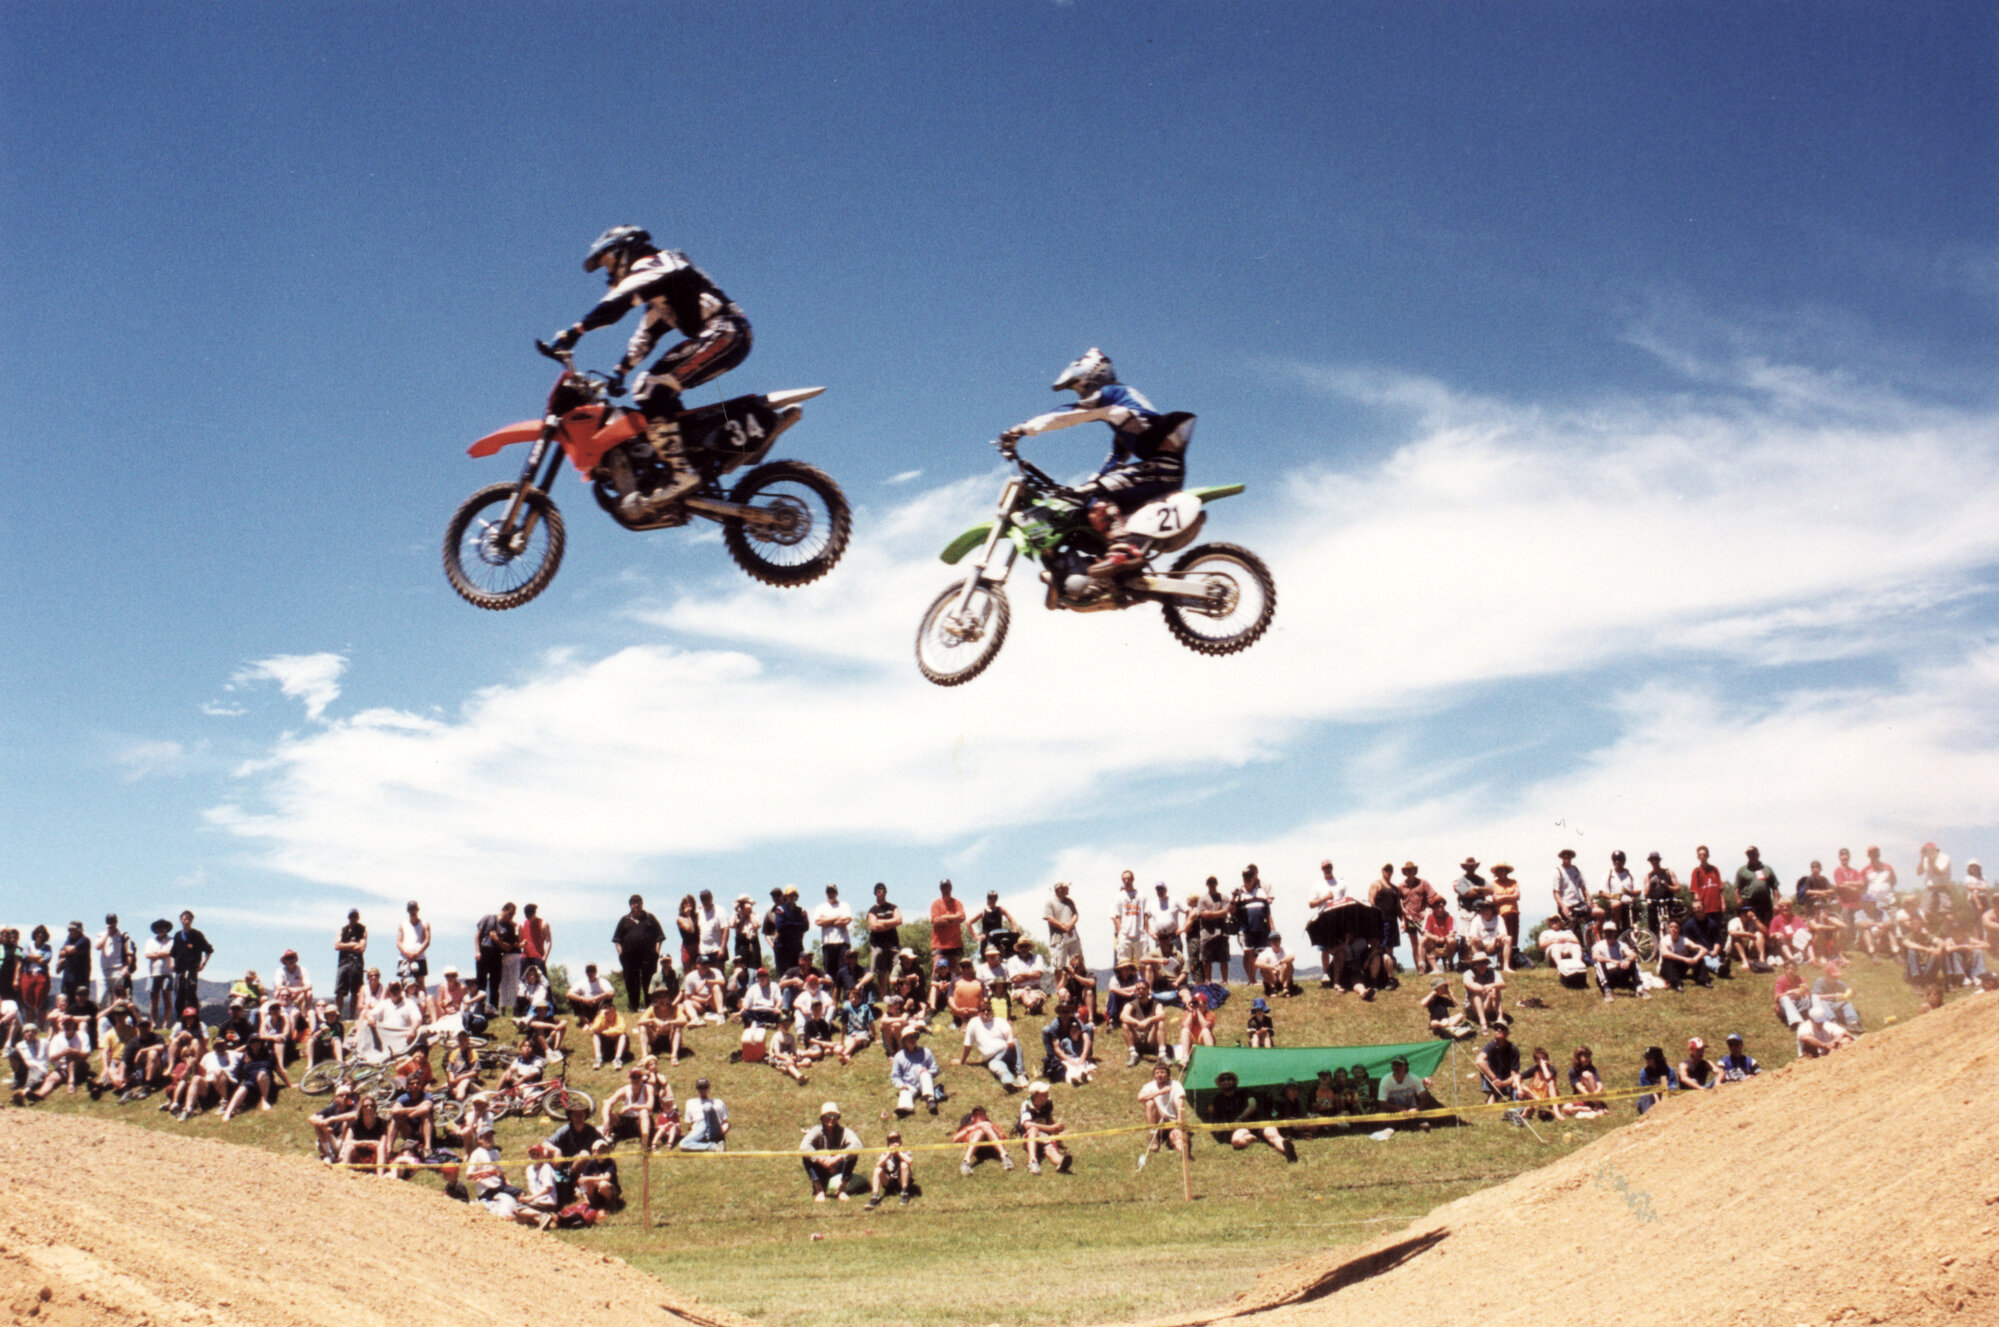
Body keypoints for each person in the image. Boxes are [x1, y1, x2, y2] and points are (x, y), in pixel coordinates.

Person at [548, 225, 752, 516]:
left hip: (725, 332)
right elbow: (646, 335)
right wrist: (620, 370)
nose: (607, 272)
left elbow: (617, 303)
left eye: (606, 261)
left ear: (624, 249)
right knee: (653, 391)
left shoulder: (655, 264)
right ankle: (688, 462)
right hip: (723, 334)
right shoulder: (662, 286)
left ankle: (682, 472)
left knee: (651, 387)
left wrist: (576, 331)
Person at [997, 347, 1195, 577]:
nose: (1081, 393)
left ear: (1095, 374)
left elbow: (1068, 414)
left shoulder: (1111, 394)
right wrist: (1089, 485)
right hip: (1160, 470)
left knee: (1095, 495)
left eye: (1081, 385)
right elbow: (1116, 459)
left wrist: (1021, 429)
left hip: (1162, 468)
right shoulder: (1126, 416)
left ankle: (1125, 549)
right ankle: (1102, 565)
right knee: (1088, 496)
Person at [1201, 1070, 1294, 1161]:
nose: (1226, 1081)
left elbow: (1252, 1105)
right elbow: (1216, 1118)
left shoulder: (1245, 1093)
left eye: (1229, 1079)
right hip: (1241, 1129)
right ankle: (1254, 1138)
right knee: (1237, 1142)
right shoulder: (1218, 1100)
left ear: (1234, 1082)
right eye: (1222, 1080)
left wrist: (1240, 1118)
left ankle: (1286, 1149)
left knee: (1274, 1136)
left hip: (1259, 1123)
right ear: (1220, 1084)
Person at [612, 896, 665, 1014]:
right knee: (631, 981)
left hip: (648, 956)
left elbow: (659, 936)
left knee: (649, 980)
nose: (636, 905)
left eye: (638, 902)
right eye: (633, 903)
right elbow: (616, 939)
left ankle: (649, 1005)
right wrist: (620, 952)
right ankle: (633, 1006)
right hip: (629, 957)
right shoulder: (624, 920)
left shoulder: (650, 918)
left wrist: (657, 950)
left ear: (642, 904)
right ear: (630, 905)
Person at [800, 1102, 863, 1202]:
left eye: (834, 1116)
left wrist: (836, 1159)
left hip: (837, 1166)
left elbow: (857, 1145)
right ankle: (819, 1190)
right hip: (820, 1167)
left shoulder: (845, 1131)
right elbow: (803, 1147)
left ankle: (842, 1189)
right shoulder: (815, 1131)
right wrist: (821, 1160)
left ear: (838, 1118)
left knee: (852, 1155)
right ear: (822, 1118)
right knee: (806, 1156)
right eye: (828, 1115)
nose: (832, 1118)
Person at [959, 1000, 1025, 1091]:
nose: (985, 1012)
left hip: (1006, 1052)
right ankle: (1010, 1083)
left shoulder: (999, 1021)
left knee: (1015, 1041)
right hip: (991, 1059)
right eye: (982, 1010)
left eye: (988, 1010)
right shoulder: (973, 1023)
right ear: (978, 1013)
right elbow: (967, 1045)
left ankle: (1021, 1074)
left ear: (992, 1012)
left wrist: (1009, 1038)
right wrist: (962, 1061)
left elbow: (1009, 1031)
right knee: (1000, 1070)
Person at [1136, 1061, 1191, 1170]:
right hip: (1158, 1121)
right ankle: (1153, 1135)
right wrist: (1161, 1092)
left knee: (1179, 1144)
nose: (1159, 1075)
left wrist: (1178, 1127)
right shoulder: (1150, 1085)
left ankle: (1182, 1148)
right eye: (1157, 1073)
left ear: (1168, 1074)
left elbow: (1180, 1105)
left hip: (1173, 1121)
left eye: (1162, 1072)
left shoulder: (1175, 1085)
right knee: (1149, 1103)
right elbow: (1140, 1098)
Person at [1016, 1080, 1073, 1174]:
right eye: (1044, 1093)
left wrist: (1056, 1132)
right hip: (1029, 1136)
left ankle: (1061, 1163)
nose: (1047, 1094)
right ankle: (1032, 1162)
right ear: (1036, 1095)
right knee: (1033, 1129)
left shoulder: (1048, 1102)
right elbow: (1027, 1125)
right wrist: (1050, 1129)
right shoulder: (1026, 1105)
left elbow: (1049, 1119)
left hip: (1044, 1135)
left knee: (1050, 1149)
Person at [891, 1026, 943, 1116]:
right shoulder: (899, 1056)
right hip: (910, 1085)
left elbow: (936, 1069)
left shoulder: (926, 1052)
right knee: (904, 1092)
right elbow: (895, 1076)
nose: (912, 1040)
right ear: (904, 1041)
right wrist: (902, 1085)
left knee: (925, 1075)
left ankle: (930, 1100)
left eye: (914, 1036)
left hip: (925, 1083)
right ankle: (905, 1109)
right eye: (909, 1037)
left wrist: (927, 1072)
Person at [814, 884, 854, 997]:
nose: (831, 894)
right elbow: (818, 922)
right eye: (829, 891)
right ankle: (829, 998)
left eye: (833, 891)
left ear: (837, 893)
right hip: (827, 943)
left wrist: (827, 922)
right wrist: (836, 918)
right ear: (826, 893)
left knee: (844, 972)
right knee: (828, 973)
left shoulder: (844, 905)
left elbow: (847, 920)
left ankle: (846, 998)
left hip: (842, 943)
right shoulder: (820, 907)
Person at [169, 912, 213, 1016]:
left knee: (191, 991)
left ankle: (194, 1017)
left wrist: (203, 964)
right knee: (179, 992)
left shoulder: (197, 935)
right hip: (180, 968)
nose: (186, 921)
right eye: (185, 919)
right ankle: (180, 1018)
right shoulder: (178, 935)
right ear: (181, 920)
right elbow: (172, 953)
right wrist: (172, 964)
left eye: (189, 919)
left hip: (192, 968)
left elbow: (208, 950)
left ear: (192, 921)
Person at [953, 1103, 1014, 1175]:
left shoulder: (991, 1125)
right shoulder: (969, 1127)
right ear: (973, 1118)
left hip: (992, 1148)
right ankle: (966, 1161)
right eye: (976, 1115)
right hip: (976, 1149)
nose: (978, 1117)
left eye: (981, 1115)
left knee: (986, 1127)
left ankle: (1005, 1157)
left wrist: (992, 1129)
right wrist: (973, 1127)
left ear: (985, 1116)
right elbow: (955, 1139)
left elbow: (1004, 1137)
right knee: (979, 1132)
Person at [1591, 924, 1647, 1000]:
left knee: (1633, 960)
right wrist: (1611, 961)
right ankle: (1607, 989)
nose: (1608, 934)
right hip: (1607, 974)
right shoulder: (1598, 945)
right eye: (1606, 932)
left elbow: (1633, 954)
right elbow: (1595, 956)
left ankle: (1639, 987)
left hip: (1619, 973)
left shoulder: (1621, 945)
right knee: (1598, 963)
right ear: (1604, 933)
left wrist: (1628, 960)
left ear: (1615, 933)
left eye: (1611, 932)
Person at [865, 1129, 918, 1208]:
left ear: (900, 1141)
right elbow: (878, 1164)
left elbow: (909, 1161)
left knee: (904, 1164)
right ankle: (875, 1196)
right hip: (889, 1180)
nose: (894, 1142)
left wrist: (898, 1152)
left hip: (902, 1180)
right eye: (891, 1140)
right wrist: (889, 1153)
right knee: (877, 1170)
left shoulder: (905, 1151)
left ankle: (904, 1192)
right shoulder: (886, 1152)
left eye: (896, 1139)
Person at [865, 883, 903, 988]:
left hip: (893, 944)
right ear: (875, 893)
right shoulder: (872, 910)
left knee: (896, 969)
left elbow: (899, 920)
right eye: (879, 891)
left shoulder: (893, 907)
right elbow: (874, 927)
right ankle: (884, 996)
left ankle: (897, 995)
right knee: (880, 972)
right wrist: (891, 923)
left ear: (886, 892)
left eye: (883, 891)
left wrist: (881, 922)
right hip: (878, 945)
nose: (881, 893)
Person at [1658, 920, 1713, 992]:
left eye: (1676, 927)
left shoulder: (1684, 940)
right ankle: (1676, 984)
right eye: (1671, 927)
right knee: (1669, 959)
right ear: (1668, 929)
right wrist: (1684, 959)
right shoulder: (1664, 940)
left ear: (1679, 929)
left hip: (1679, 968)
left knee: (1695, 954)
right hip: (1666, 969)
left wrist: (1696, 959)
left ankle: (1702, 980)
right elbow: (1665, 954)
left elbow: (1704, 949)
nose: (1673, 929)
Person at [678, 1077, 730, 1151]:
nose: (703, 1090)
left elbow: (725, 1122)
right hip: (699, 1130)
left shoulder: (718, 1102)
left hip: (714, 1129)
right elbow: (690, 1124)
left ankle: (717, 1142)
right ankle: (714, 1147)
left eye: (705, 1087)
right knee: (683, 1144)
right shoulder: (690, 1103)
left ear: (709, 1088)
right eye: (700, 1087)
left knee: (707, 1106)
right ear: (696, 1089)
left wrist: (721, 1133)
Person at [1476, 1023, 1524, 1103]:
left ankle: (1519, 1110)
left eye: (1502, 1028)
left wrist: (1502, 1084)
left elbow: (1514, 1075)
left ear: (1507, 1033)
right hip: (1493, 1081)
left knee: (1520, 1097)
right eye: (1496, 1028)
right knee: (1484, 1063)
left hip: (1507, 1082)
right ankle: (1491, 1094)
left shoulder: (1513, 1049)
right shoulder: (1490, 1046)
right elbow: (1479, 1061)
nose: (1499, 1030)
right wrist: (1495, 1079)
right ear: (1494, 1033)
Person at [1044, 881, 1083, 973]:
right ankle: (1060, 987)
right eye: (1066, 888)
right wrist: (1063, 926)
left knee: (1078, 961)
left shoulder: (1069, 901)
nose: (1068, 889)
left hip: (1072, 936)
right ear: (1059, 889)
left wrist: (1069, 925)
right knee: (1059, 965)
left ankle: (1077, 984)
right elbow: (1049, 918)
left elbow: (1075, 914)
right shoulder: (1050, 903)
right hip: (1058, 938)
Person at [142, 920, 176, 1024]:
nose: (161, 929)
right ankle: (153, 1022)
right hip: (153, 974)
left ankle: (166, 1022)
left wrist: (156, 954)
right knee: (153, 999)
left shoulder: (171, 940)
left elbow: (171, 952)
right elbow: (147, 955)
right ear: (155, 930)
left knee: (167, 997)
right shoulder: (150, 941)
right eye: (158, 928)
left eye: (163, 927)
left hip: (167, 973)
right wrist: (162, 954)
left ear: (167, 929)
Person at [1552, 850, 1590, 938]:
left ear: (1571, 857)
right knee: (1570, 933)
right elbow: (1555, 893)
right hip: (1566, 905)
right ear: (1561, 857)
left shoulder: (1576, 870)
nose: (1567, 856)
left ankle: (1591, 943)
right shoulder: (1558, 871)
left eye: (1569, 855)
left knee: (1598, 913)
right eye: (1564, 855)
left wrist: (1588, 900)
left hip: (1578, 903)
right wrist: (1563, 907)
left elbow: (1583, 888)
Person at [1461, 954, 1505, 1031]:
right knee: (1476, 993)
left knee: (1496, 989)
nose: (1481, 965)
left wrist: (1492, 986)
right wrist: (1486, 989)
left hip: (1489, 1005)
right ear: (1474, 964)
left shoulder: (1493, 972)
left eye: (1483, 962)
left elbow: (1502, 984)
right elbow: (1469, 984)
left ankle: (1500, 1019)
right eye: (1478, 963)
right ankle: (1483, 1023)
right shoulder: (1469, 973)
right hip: (1472, 1009)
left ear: (1487, 963)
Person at [1636, 1045, 1680, 1114]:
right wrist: (1655, 1093)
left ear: (1657, 1059)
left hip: (1666, 1097)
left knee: (1673, 1088)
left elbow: (1673, 1087)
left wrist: (1662, 1090)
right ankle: (1648, 1116)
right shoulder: (1644, 1072)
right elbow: (1644, 1090)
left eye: (1649, 1058)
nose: (1647, 1060)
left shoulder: (1669, 1071)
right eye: (1646, 1058)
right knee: (1645, 1095)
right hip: (1651, 1099)